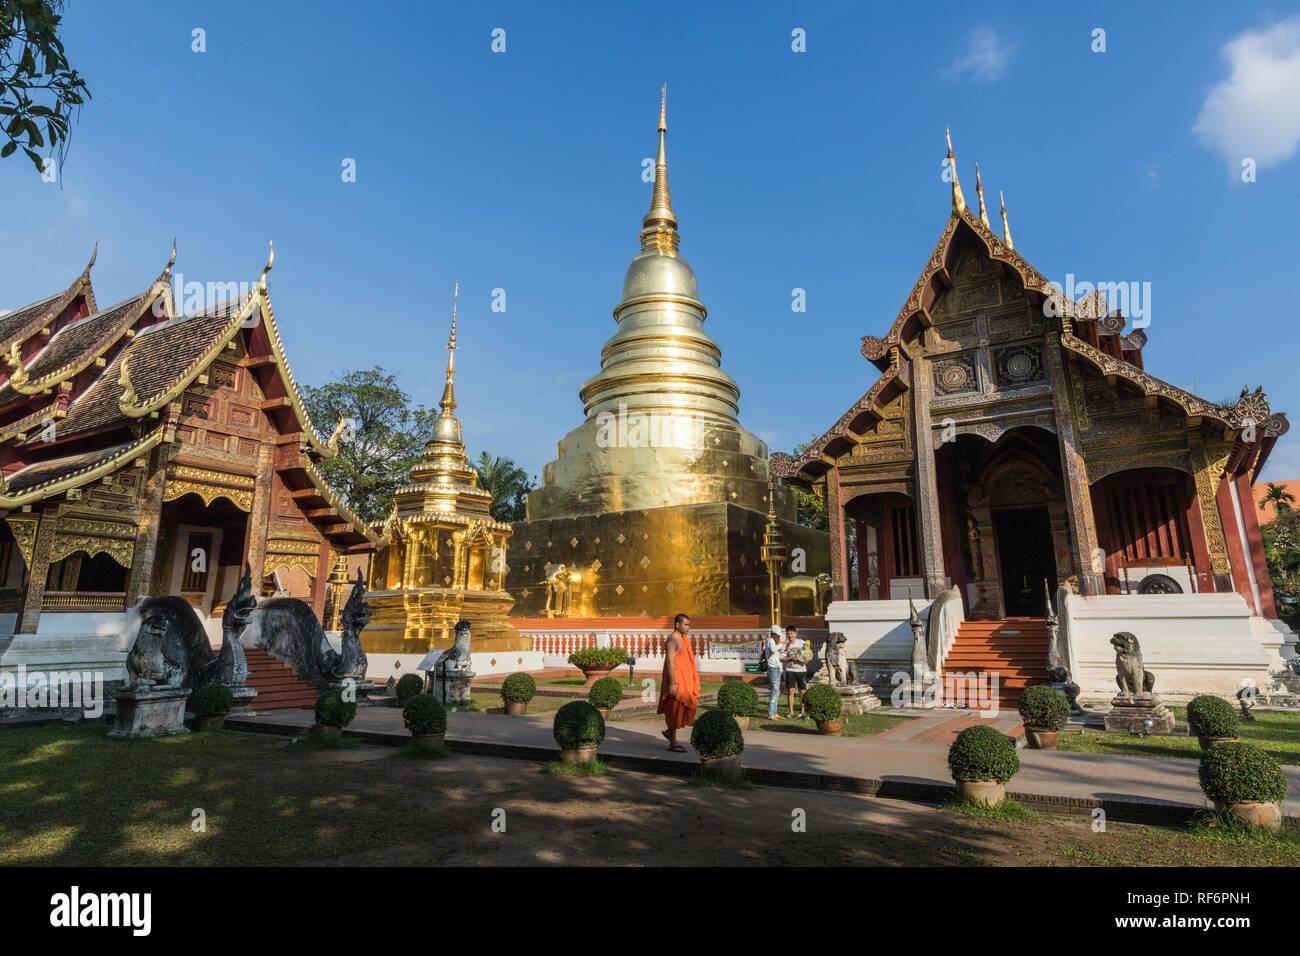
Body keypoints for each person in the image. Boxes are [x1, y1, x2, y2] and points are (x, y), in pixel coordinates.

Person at [657, 613, 700, 752]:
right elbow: (669, 662)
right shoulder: (672, 640)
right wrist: (671, 683)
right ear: (677, 624)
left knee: (680, 708)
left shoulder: (683, 638)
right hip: (676, 680)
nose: (688, 627)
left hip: (685, 679)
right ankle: (673, 742)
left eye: (689, 625)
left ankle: (671, 734)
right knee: (674, 709)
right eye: (686, 625)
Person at [782, 624, 809, 719]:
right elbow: (782, 659)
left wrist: (807, 658)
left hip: (801, 670)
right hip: (790, 670)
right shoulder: (784, 645)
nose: (790, 635)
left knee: (802, 692)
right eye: (788, 634)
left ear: (795, 634)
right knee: (791, 691)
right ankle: (791, 712)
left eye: (792, 633)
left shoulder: (801, 643)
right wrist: (791, 658)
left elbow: (808, 653)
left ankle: (802, 712)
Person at [764, 624, 785, 719]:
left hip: (777, 667)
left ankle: (774, 712)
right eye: (778, 635)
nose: (779, 636)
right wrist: (782, 644)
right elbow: (772, 650)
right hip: (772, 667)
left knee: (776, 691)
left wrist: (784, 648)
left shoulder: (775, 642)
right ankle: (771, 714)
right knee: (774, 691)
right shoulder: (770, 641)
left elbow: (778, 653)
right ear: (774, 634)